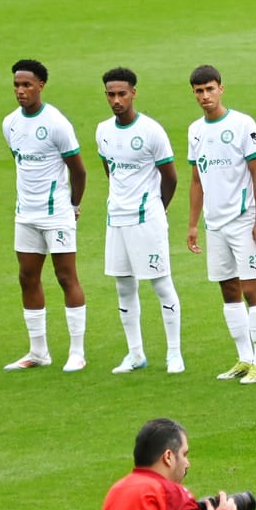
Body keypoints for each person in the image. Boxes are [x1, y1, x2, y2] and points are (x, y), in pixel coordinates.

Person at [2, 59, 89, 372]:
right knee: (27, 277)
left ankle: (77, 351)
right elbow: (20, 162)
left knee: (66, 277)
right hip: (25, 214)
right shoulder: (9, 123)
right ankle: (38, 351)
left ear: (41, 85)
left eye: (27, 85)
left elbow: (78, 170)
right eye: (16, 85)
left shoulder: (56, 123)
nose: (21, 91)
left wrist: (74, 205)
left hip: (57, 214)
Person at [187, 65, 256, 385]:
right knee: (228, 288)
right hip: (215, 223)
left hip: (244, 219)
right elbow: (197, 179)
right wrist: (193, 224)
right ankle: (244, 358)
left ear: (221, 88)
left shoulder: (242, 124)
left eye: (209, 89)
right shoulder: (195, 130)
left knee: (252, 289)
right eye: (198, 91)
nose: (205, 96)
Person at [97, 68, 185, 375]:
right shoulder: (103, 131)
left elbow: (170, 177)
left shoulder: (151, 131)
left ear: (134, 92)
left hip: (147, 219)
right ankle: (135, 353)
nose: (117, 100)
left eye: (122, 94)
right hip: (116, 219)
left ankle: (174, 353)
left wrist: (158, 208)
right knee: (123, 286)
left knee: (161, 284)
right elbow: (109, 169)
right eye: (111, 94)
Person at [98, 418, 240, 510]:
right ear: (168, 457)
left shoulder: (116, 490)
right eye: (184, 454)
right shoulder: (167, 493)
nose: (187, 463)